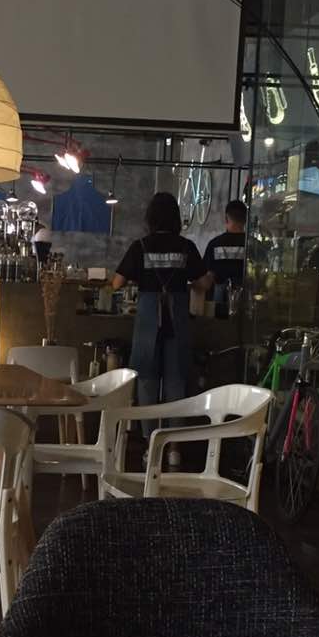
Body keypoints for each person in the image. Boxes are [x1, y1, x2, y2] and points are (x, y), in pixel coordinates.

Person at [112, 192, 211, 448]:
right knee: (176, 381)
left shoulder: (140, 246)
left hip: (148, 322)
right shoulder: (186, 247)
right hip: (177, 321)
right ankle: (173, 447)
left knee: (146, 380)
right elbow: (204, 282)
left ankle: (150, 443)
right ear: (176, 218)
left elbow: (116, 282)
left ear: (150, 218)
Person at [203, 199, 248, 314]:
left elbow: (207, 276)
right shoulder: (252, 245)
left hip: (220, 298)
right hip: (246, 299)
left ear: (226, 218)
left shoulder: (215, 244)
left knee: (220, 323)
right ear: (245, 219)